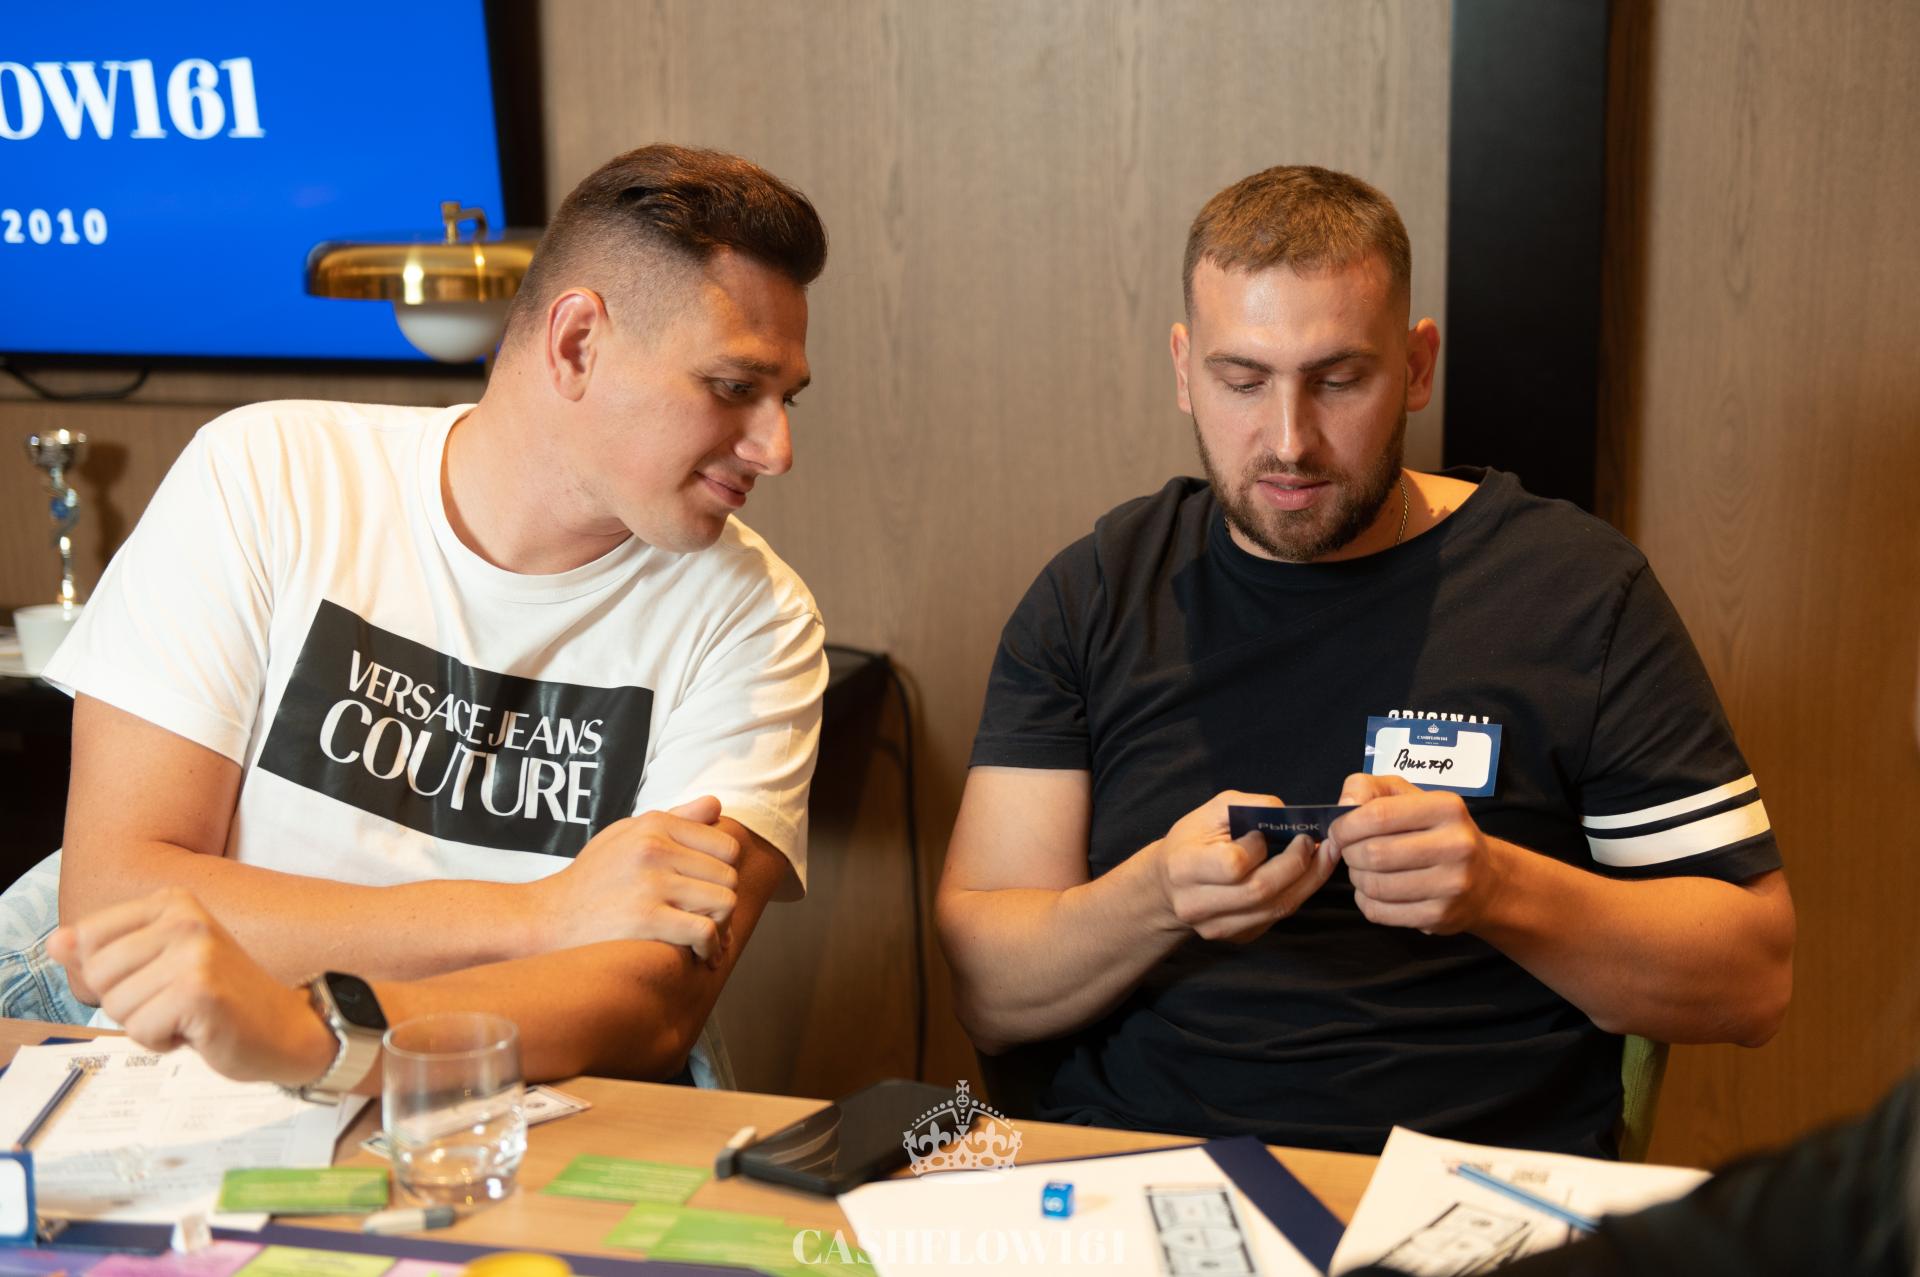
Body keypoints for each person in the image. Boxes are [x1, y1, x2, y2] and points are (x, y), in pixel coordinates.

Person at [936, 164, 1795, 1157]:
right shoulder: (1094, 593)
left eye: (1339, 380)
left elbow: (1754, 980)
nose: (1289, 441)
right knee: (855, 1195)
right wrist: (1156, 896)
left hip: (1467, 1183)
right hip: (1138, 1173)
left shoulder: (1578, 592)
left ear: (1418, 366)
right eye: (1241, 381)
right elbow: (988, 991)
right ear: (1182, 368)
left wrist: (1498, 888)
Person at [35, 143, 828, 1099]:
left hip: (516, 1123)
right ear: (577, 344)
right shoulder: (265, 475)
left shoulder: (758, 619)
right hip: (178, 1101)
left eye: (786, 399)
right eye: (734, 388)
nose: (777, 449)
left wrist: (321, 1035)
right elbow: (115, 899)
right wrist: (541, 915)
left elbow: (650, 1002)